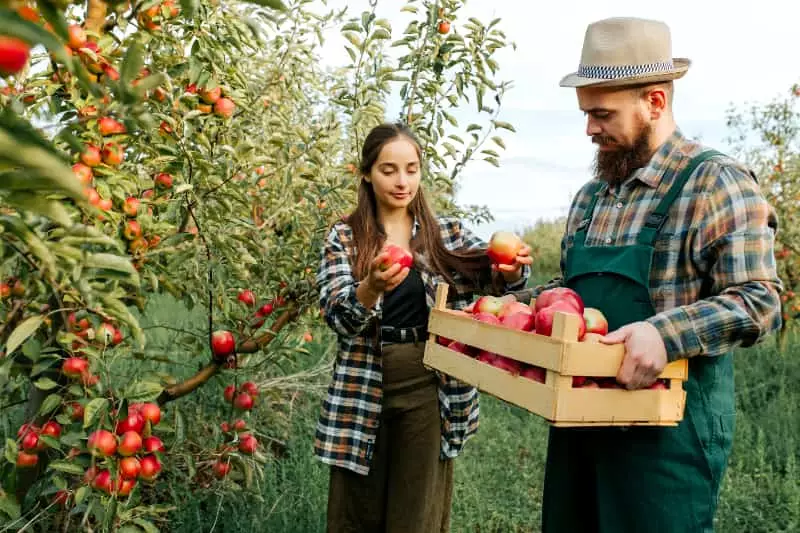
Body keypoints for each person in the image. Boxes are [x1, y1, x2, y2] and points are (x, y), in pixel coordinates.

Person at [524, 16, 782, 533]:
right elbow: (571, 298)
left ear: (655, 102)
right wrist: (515, 300)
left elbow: (760, 300)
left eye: (602, 114)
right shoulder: (591, 198)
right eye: (586, 114)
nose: (589, 129)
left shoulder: (713, 184)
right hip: (579, 431)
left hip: (665, 442)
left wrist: (664, 335)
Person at [315, 122, 532, 532]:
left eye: (411, 169)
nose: (402, 181)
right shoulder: (345, 238)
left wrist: (511, 270)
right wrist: (371, 287)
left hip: (428, 386)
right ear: (366, 173)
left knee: (417, 515)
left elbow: (490, 283)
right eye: (389, 169)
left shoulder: (445, 234)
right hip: (364, 384)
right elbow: (338, 317)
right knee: (355, 514)